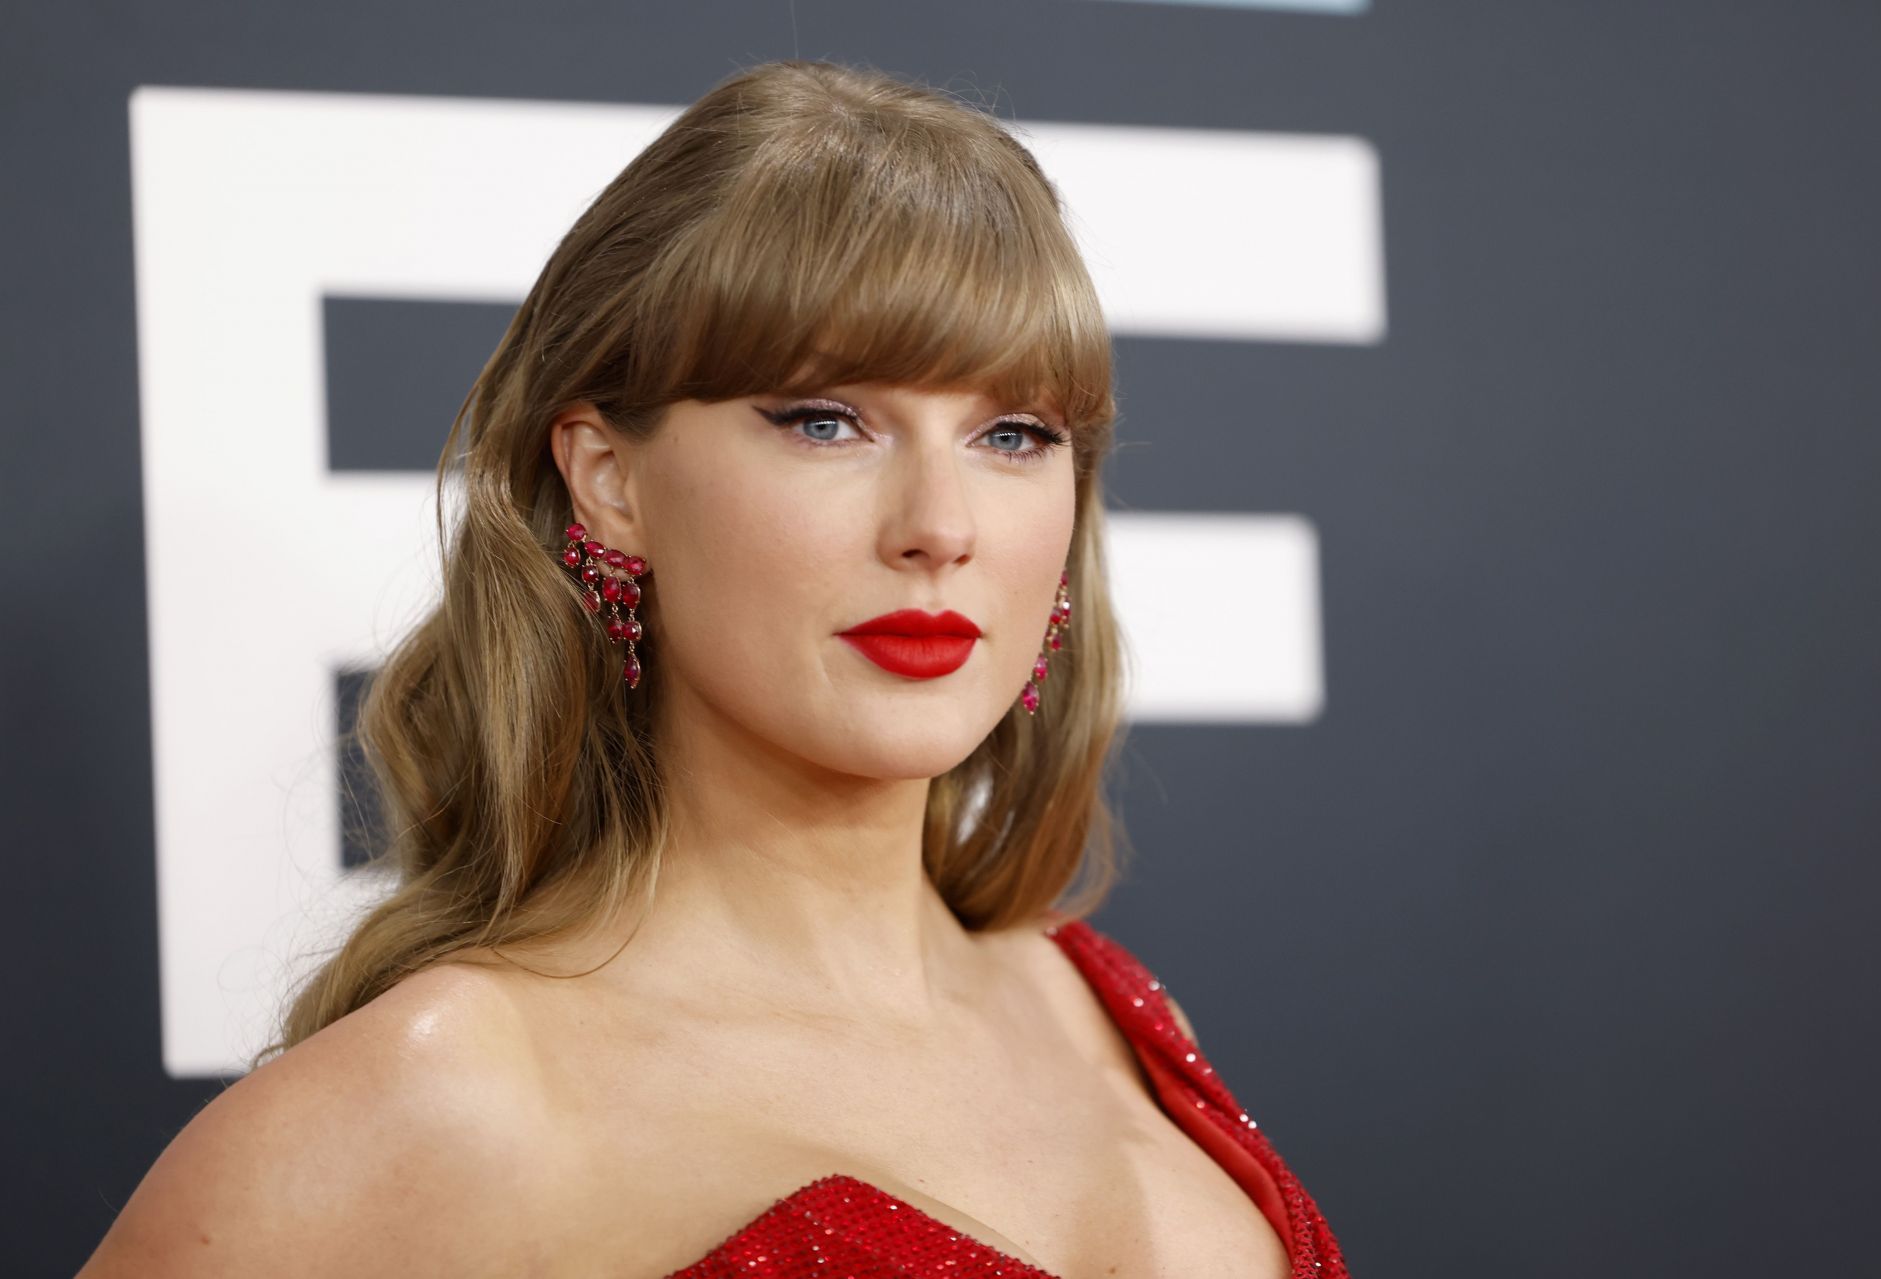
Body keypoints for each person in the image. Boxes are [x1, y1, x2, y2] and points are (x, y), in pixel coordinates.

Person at [77, 59, 1347, 1278]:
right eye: (826, 420)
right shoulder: (444, 1094)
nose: (941, 525)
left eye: (1013, 434)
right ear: (609, 479)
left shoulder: (1099, 999)